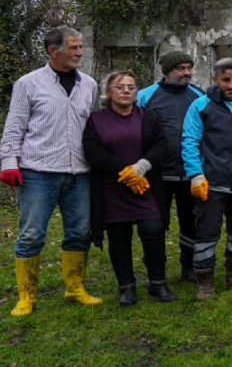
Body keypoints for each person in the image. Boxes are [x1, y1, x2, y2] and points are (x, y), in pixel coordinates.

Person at [2, 26, 101, 317]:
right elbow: (14, 126)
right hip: (38, 171)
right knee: (32, 234)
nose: (79, 53)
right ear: (52, 50)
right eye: (73, 48)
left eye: (80, 47)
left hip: (80, 171)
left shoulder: (89, 84)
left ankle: (75, 288)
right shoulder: (28, 84)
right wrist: (9, 163)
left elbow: (95, 127)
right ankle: (27, 296)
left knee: (80, 231)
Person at [83, 71, 173, 306]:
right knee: (119, 237)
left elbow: (162, 144)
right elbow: (91, 151)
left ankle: (158, 283)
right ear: (108, 92)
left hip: (146, 187)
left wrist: (141, 167)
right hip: (113, 188)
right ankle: (126, 287)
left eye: (131, 87)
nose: (126, 91)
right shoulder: (96, 120)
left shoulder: (149, 117)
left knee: (153, 229)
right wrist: (123, 171)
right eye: (120, 86)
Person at [182, 57, 232, 299]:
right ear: (214, 79)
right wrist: (196, 174)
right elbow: (189, 141)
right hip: (211, 183)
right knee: (207, 232)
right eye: (225, 80)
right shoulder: (200, 106)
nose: (231, 85)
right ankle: (204, 280)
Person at [136, 50, 203, 282]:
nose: (186, 73)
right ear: (166, 71)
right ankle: (156, 268)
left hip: (191, 173)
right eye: (180, 68)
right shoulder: (145, 96)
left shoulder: (198, 95)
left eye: (189, 68)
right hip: (157, 174)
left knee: (191, 222)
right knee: (154, 224)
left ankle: (189, 266)